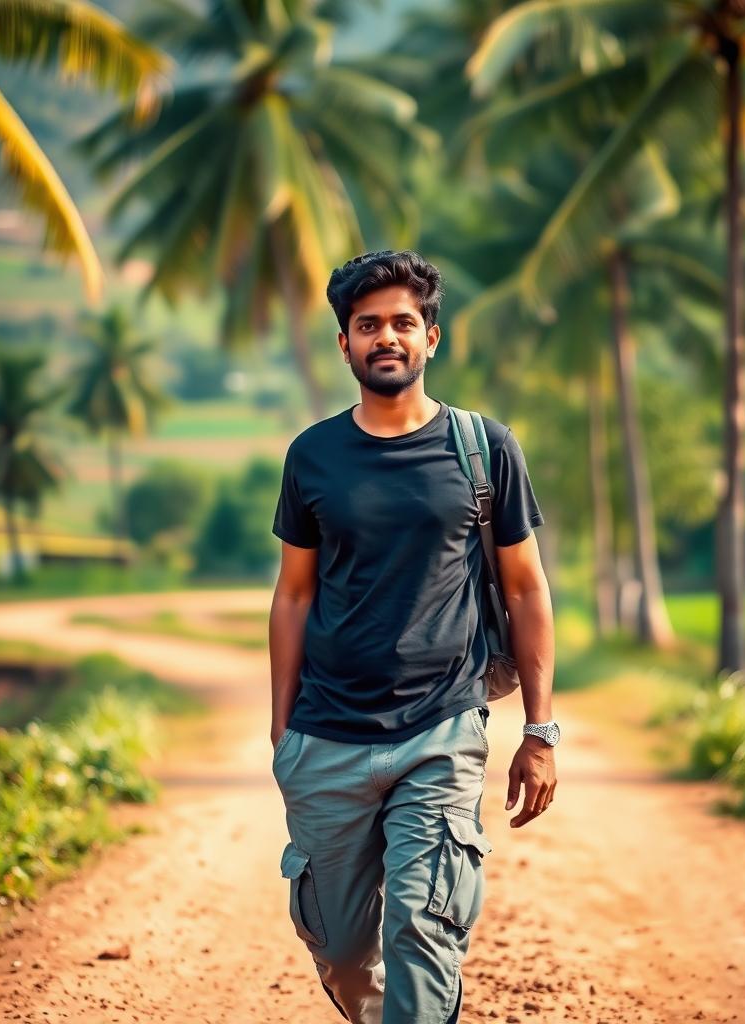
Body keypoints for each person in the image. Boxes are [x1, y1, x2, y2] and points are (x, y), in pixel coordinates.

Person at [269, 250, 558, 1024]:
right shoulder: (313, 456)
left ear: (433, 337)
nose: (387, 337)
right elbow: (293, 596)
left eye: (404, 322)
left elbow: (527, 587)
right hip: (325, 733)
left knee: (424, 929)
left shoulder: (483, 447)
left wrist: (539, 729)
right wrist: (281, 730)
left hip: (442, 726)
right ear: (345, 345)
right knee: (339, 949)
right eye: (369, 326)